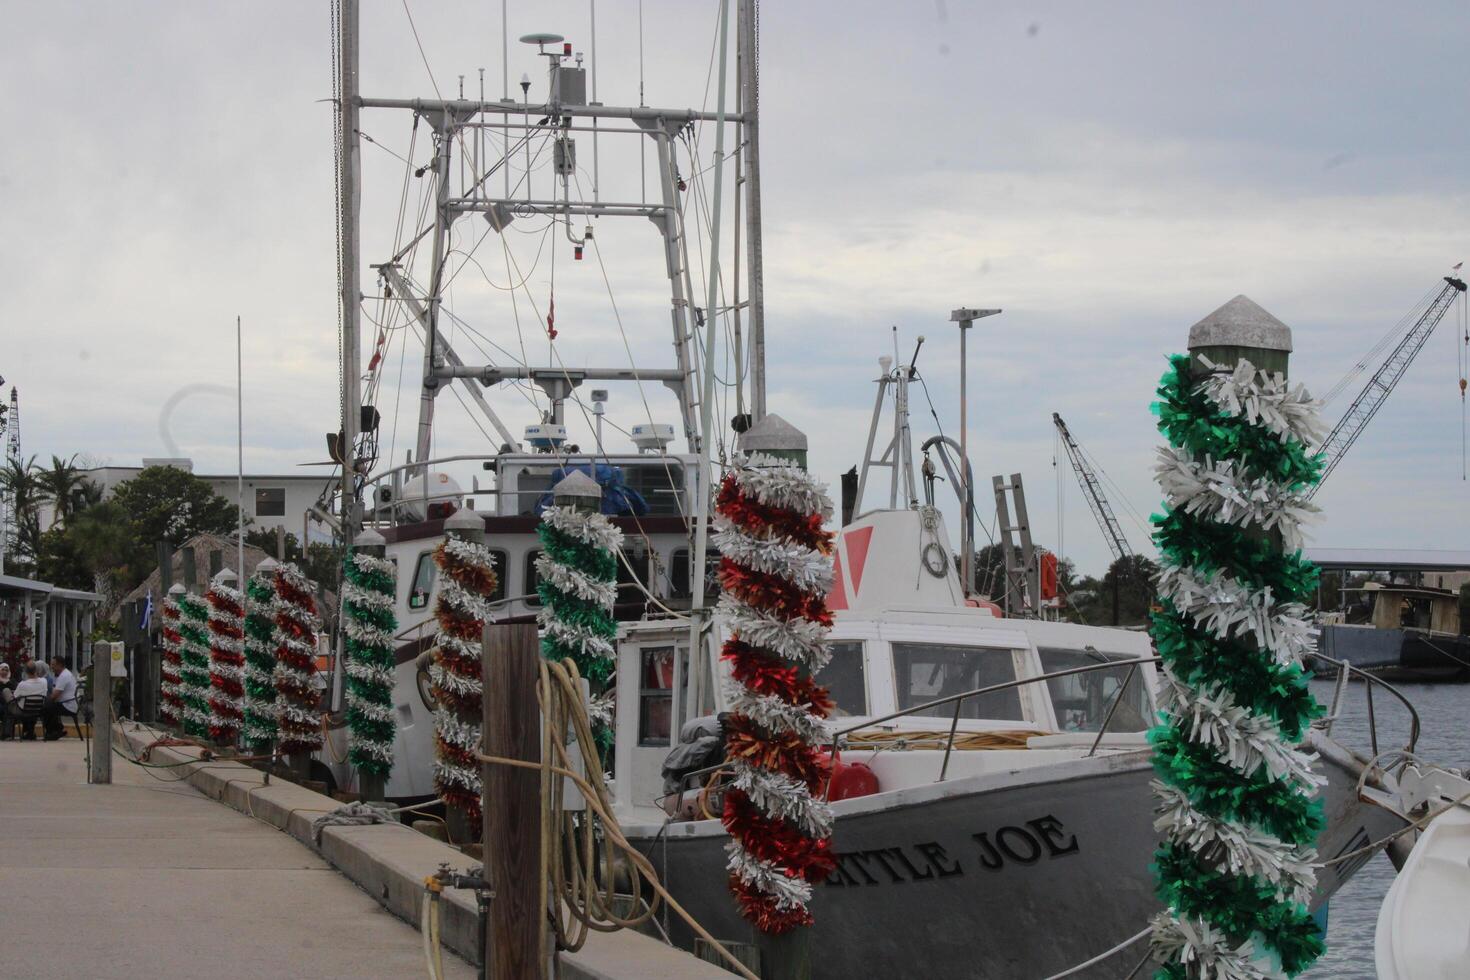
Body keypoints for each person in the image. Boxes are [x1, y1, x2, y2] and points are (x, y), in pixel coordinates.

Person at [5, 662, 49, 740]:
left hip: (23, 710)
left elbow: (14, 697)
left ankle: (7, 733)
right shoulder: (44, 681)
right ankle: (29, 732)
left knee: (6, 693)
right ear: (36, 670)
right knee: (25, 704)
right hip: (38, 710)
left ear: (25, 672)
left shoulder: (22, 684)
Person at [43, 655, 79, 741]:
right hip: (68, 703)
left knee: (45, 707)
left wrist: (45, 700)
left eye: (53, 665)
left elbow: (54, 695)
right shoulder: (65, 674)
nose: (51, 667)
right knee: (50, 705)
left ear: (60, 665)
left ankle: (52, 732)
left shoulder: (64, 676)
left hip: (68, 705)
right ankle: (57, 730)